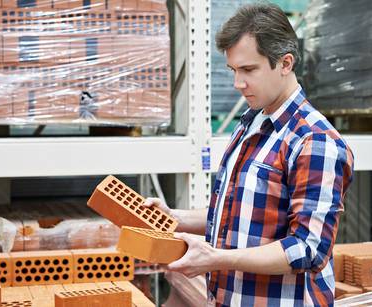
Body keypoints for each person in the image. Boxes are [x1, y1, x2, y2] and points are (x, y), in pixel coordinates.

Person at [144, 3, 354, 307]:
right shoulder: (253, 121)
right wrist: (176, 219)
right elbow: (239, 215)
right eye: (233, 70)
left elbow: (307, 249)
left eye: (248, 70)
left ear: (285, 63)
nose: (237, 83)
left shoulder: (315, 141)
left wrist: (217, 258)